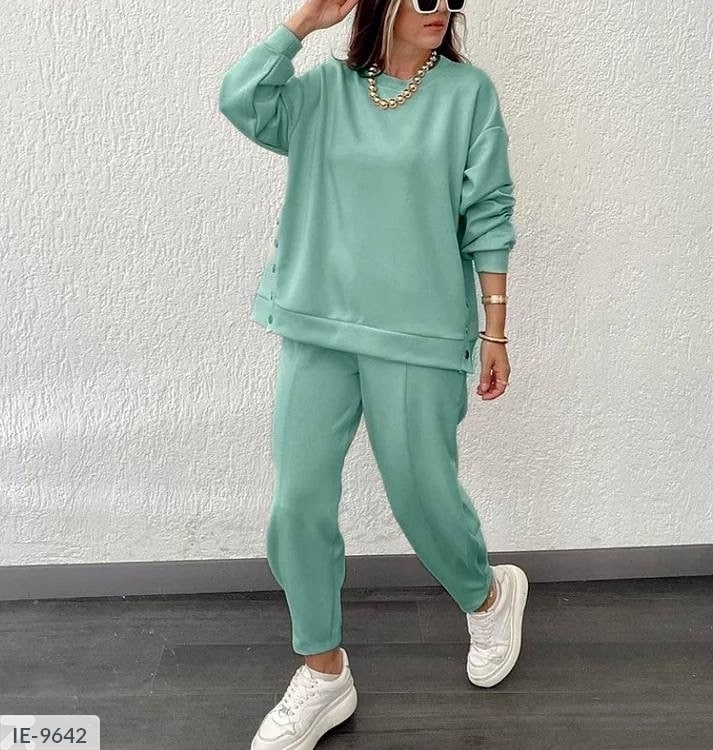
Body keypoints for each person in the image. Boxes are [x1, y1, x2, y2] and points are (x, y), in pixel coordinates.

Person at [219, 0, 529, 746]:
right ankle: (324, 671)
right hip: (316, 321)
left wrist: (496, 330)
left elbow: (488, 211)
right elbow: (241, 99)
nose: (441, 9)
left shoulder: (467, 94)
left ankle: (488, 595)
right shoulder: (323, 93)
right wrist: (302, 22)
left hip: (420, 330)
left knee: (421, 495)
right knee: (297, 504)